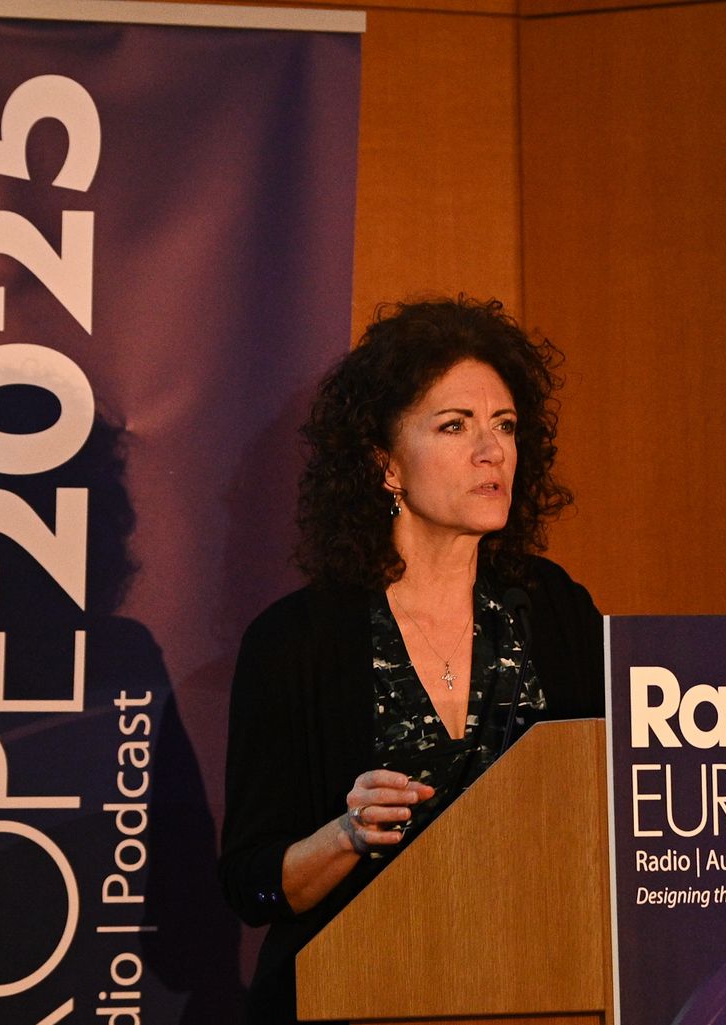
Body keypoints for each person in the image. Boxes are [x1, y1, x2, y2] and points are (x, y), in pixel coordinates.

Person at [218, 296, 604, 1024]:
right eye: (455, 426)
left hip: (538, 990)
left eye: (505, 425)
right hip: (353, 995)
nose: (492, 451)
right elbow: (251, 884)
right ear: (386, 464)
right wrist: (345, 835)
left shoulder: (552, 609)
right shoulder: (296, 641)